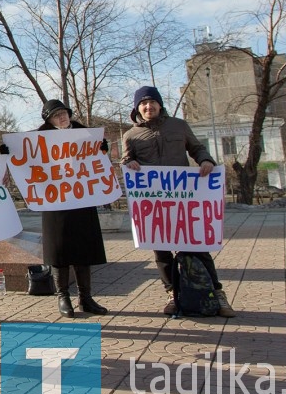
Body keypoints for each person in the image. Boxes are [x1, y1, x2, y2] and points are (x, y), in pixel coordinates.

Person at [121, 86, 236, 317]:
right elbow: (126, 160)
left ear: (160, 105)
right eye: (143, 103)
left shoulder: (179, 126)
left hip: (184, 201)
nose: (148, 106)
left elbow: (197, 148)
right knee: (161, 252)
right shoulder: (130, 135)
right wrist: (128, 163)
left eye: (152, 102)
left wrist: (206, 161)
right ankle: (172, 293)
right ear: (137, 108)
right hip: (155, 205)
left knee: (197, 248)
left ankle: (217, 293)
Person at [36, 100, 109, 318]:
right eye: (56, 115)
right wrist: (10, 152)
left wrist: (102, 148)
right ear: (48, 120)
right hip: (55, 202)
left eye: (64, 113)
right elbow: (26, 160)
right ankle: (63, 297)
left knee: (83, 248)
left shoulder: (84, 134)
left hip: (81, 198)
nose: (62, 117)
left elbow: (98, 158)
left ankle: (86, 298)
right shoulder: (38, 139)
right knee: (59, 251)